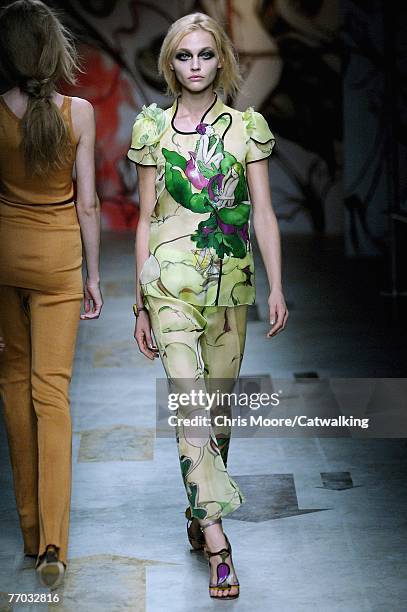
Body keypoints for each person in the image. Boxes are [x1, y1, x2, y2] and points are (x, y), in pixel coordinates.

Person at [128, 12, 288, 600]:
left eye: (204, 54)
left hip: (231, 286)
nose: (194, 65)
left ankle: (199, 508)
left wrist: (277, 285)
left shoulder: (248, 128)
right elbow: (144, 221)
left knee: (216, 416)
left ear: (222, 59)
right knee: (190, 407)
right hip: (168, 284)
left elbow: (264, 212)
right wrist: (140, 302)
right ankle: (219, 541)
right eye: (183, 56)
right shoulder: (152, 131)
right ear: (170, 64)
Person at [0, 0, 103, 589]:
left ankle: (28, 531)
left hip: (5, 260)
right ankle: (54, 544)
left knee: (14, 386)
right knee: (52, 395)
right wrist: (93, 275)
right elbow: (86, 202)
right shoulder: (81, 113)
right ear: (52, 49)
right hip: (59, 260)